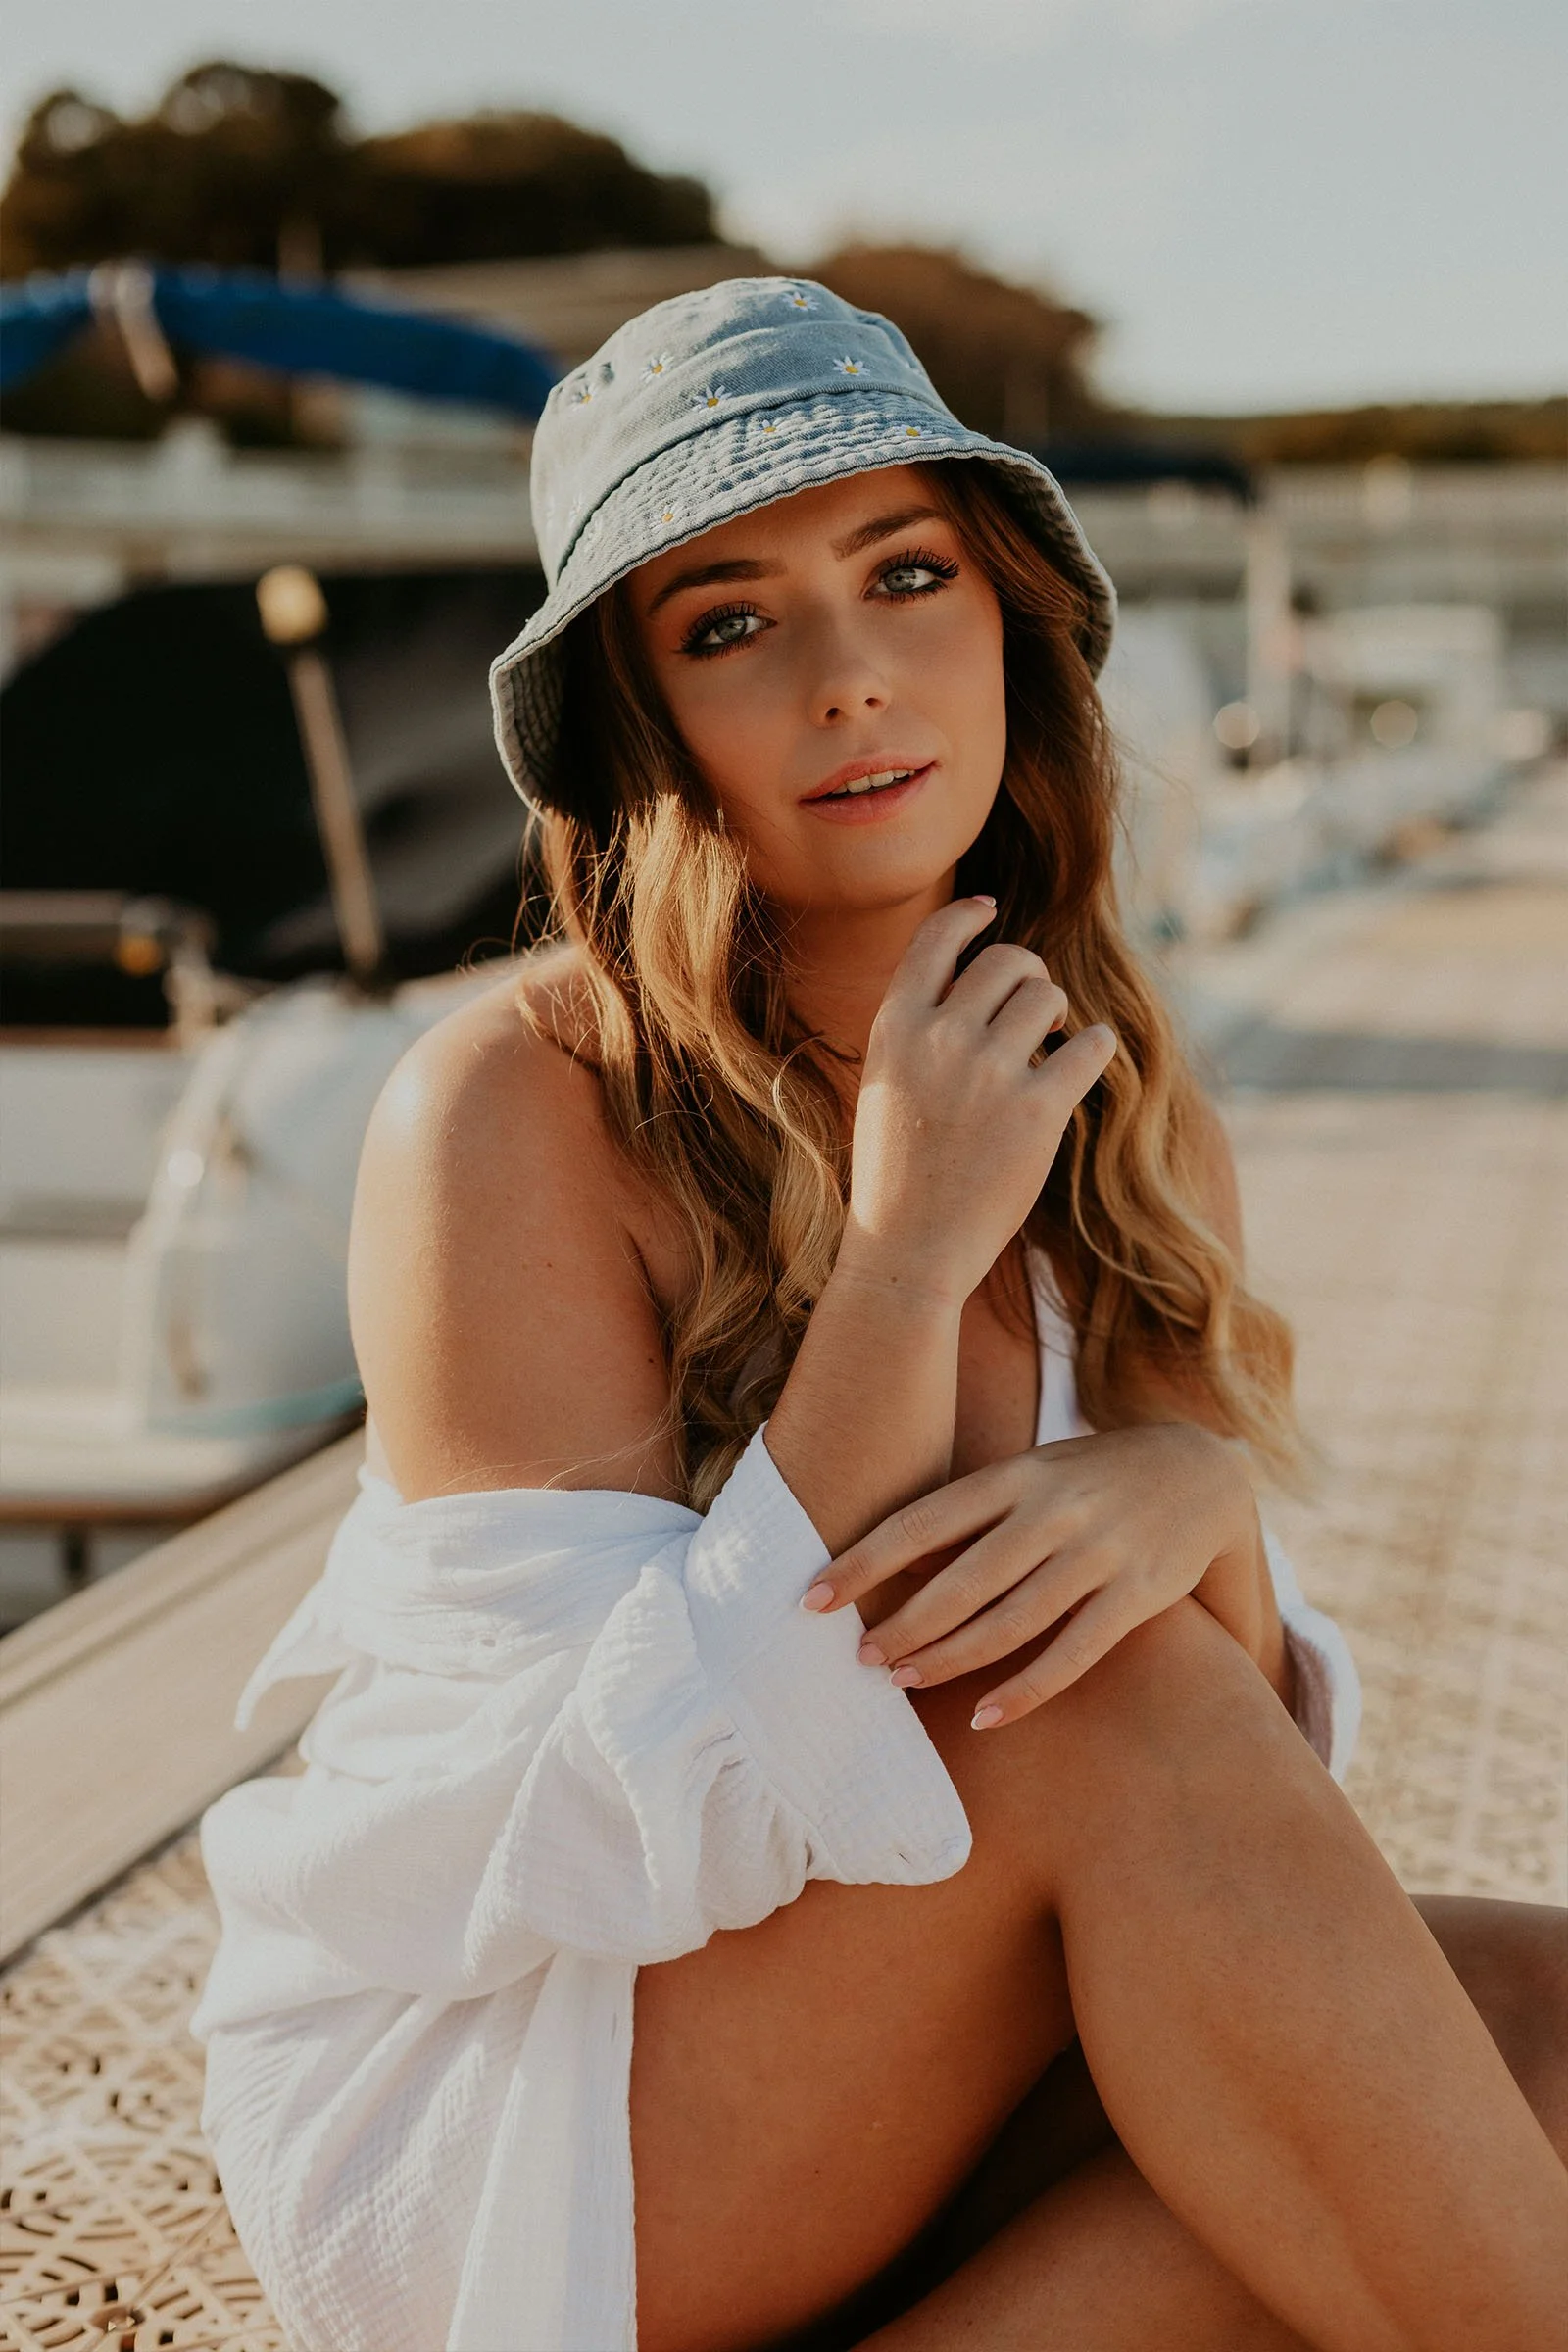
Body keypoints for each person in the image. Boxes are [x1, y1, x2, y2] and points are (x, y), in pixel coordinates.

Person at [191, 280, 1568, 2352]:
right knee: (1091, 1707)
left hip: (905, 2066)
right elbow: (598, 1815)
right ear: (642, 725)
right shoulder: (511, 1109)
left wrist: (1186, 1489)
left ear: (1005, 621)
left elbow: (1261, 1829)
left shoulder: (1111, 1097)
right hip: (529, 2117)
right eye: (729, 622)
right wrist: (908, 1260)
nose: (848, 678)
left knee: (1522, 2040)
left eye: (905, 574)